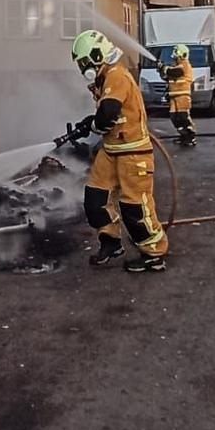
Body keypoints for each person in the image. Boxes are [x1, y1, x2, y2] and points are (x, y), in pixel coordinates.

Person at [70, 30, 169, 275]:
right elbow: (104, 116)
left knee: (134, 207)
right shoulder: (104, 79)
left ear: (96, 56)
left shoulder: (117, 76)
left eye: (84, 63)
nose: (82, 69)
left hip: (133, 154)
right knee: (95, 198)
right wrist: (89, 123)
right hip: (112, 150)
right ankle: (111, 242)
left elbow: (106, 116)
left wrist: (91, 124)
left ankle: (154, 255)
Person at [161, 43, 196, 148]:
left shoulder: (184, 64)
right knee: (174, 117)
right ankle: (183, 135)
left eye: (176, 52)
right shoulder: (175, 66)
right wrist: (161, 70)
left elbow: (177, 72)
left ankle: (191, 136)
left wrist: (164, 68)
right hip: (174, 96)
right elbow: (167, 77)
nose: (174, 54)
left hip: (182, 96)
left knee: (183, 116)